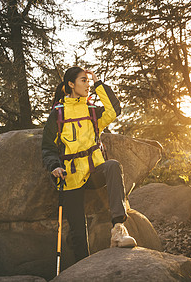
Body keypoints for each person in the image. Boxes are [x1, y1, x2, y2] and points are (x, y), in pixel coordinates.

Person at [42, 66, 136, 262]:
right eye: (83, 80)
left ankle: (118, 230)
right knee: (78, 231)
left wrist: (98, 83)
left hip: (94, 172)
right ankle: (83, 267)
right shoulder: (58, 114)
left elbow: (114, 110)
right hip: (70, 177)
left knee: (112, 166)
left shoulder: (92, 111)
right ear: (70, 84)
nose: (87, 84)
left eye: (88, 81)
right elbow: (48, 147)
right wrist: (54, 167)